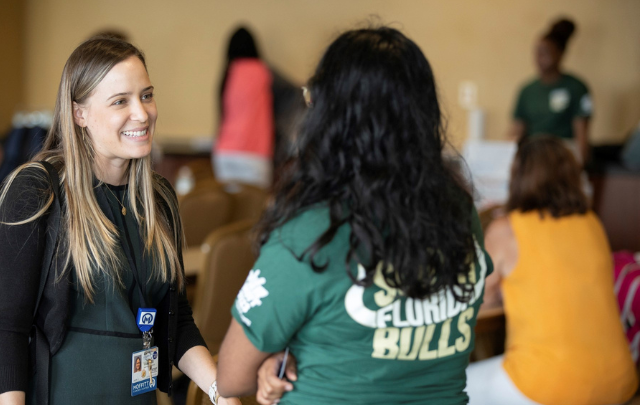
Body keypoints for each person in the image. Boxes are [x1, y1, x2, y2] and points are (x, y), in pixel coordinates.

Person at [216, 26, 493, 405]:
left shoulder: (313, 232)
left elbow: (231, 378)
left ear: (331, 121)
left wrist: (278, 358)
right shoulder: (459, 212)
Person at [0, 37, 240, 405]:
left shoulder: (159, 198)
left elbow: (176, 321)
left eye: (147, 95)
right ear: (80, 114)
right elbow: (8, 328)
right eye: (120, 101)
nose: (142, 113)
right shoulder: (38, 191)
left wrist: (221, 393)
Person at [465, 136, 637, 405]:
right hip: (619, 383)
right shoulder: (591, 224)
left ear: (517, 174)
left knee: (449, 387)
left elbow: (478, 300)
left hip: (552, 386)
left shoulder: (508, 229)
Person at [509, 18, 592, 162]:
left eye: (545, 53)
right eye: (536, 52)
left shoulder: (577, 87)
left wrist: (579, 167)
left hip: (563, 158)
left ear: (560, 53)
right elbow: (516, 131)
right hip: (533, 158)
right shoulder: (527, 90)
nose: (539, 58)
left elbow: (582, 136)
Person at [213, 27, 274, 188]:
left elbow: (223, 113)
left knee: (230, 210)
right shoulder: (264, 72)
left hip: (225, 152)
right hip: (255, 154)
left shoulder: (229, 72)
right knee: (254, 210)